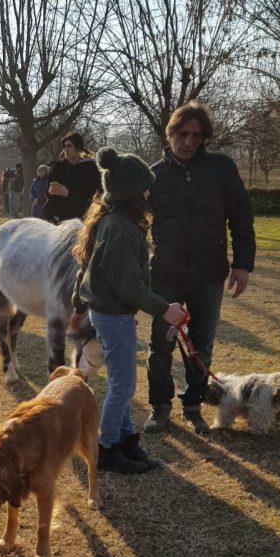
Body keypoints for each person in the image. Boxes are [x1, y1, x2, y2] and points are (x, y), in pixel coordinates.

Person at [71, 148, 187, 473]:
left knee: (120, 381)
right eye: (146, 187)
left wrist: (79, 306)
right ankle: (106, 449)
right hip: (112, 316)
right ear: (132, 192)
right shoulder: (121, 229)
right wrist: (165, 309)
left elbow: (90, 271)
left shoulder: (112, 222)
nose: (150, 192)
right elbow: (129, 287)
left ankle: (124, 438)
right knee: (123, 385)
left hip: (110, 314)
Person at [144, 101, 255, 434]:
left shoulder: (222, 169)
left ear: (204, 137)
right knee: (160, 345)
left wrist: (243, 264)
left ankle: (192, 405)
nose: (189, 141)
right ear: (171, 133)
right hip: (166, 277)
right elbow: (135, 224)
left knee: (202, 345)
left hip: (209, 275)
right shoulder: (153, 175)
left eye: (196, 135)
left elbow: (241, 217)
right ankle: (159, 407)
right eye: (182, 133)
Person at [43, 131, 101, 223]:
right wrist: (50, 192)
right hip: (56, 218)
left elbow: (92, 196)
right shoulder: (59, 168)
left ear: (78, 148)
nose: (66, 149)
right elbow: (48, 192)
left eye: (69, 146)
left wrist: (67, 193)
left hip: (81, 219)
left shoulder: (90, 169)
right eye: (64, 146)